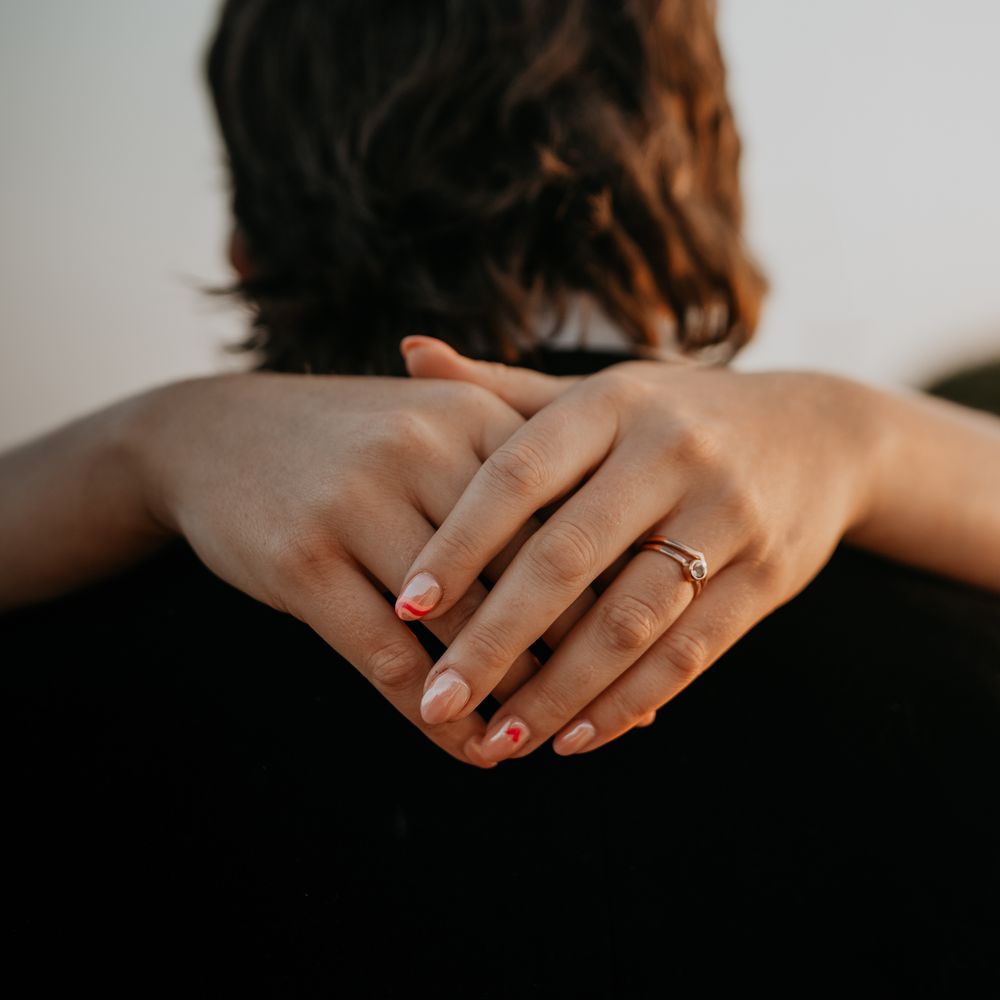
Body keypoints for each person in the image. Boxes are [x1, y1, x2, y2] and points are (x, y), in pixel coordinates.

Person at [2, 0, 998, 992]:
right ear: (721, 182)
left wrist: (147, 436)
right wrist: (862, 430)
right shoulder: (956, 606)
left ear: (244, 245)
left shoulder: (53, 641)